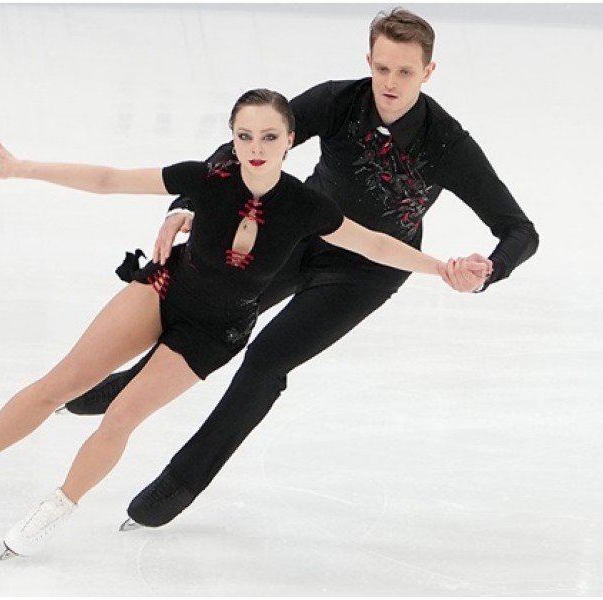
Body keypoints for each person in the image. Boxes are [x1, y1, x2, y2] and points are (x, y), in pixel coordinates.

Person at [0, 88, 483, 561]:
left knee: (123, 415)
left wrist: (441, 268)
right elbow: (109, 179)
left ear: (290, 140)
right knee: (61, 382)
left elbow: (376, 245)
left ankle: (57, 507)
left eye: (269, 137)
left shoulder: (308, 206)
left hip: (213, 334)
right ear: (233, 138)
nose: (256, 148)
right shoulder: (208, 178)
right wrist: (19, 168)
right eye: (245, 136)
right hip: (164, 291)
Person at [58, 8, 539, 530]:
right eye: (382, 68)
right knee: (210, 305)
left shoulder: (447, 143)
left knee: (266, 359)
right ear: (369, 61)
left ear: (428, 71)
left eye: (405, 72)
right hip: (298, 232)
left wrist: (488, 269)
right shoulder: (338, 100)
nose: (390, 83)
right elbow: (251, 139)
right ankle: (128, 383)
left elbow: (520, 230)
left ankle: (181, 482)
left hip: (366, 272)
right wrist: (191, 203)